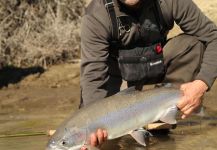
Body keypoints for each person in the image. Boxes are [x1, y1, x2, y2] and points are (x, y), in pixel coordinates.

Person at [80, 0, 217, 147]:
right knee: (100, 144)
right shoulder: (96, 15)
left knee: (193, 44)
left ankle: (163, 114)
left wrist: (202, 83)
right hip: (118, 78)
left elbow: (213, 37)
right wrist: (93, 126)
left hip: (156, 63)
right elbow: (93, 76)